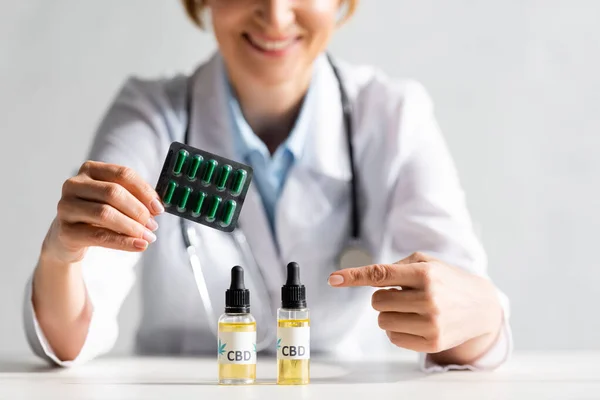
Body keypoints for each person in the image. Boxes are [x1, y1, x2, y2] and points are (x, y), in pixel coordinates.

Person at [24, 0, 512, 372]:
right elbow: (70, 334)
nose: (276, 17)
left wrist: (480, 314)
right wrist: (61, 255)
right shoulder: (150, 117)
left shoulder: (393, 115)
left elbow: (460, 314)